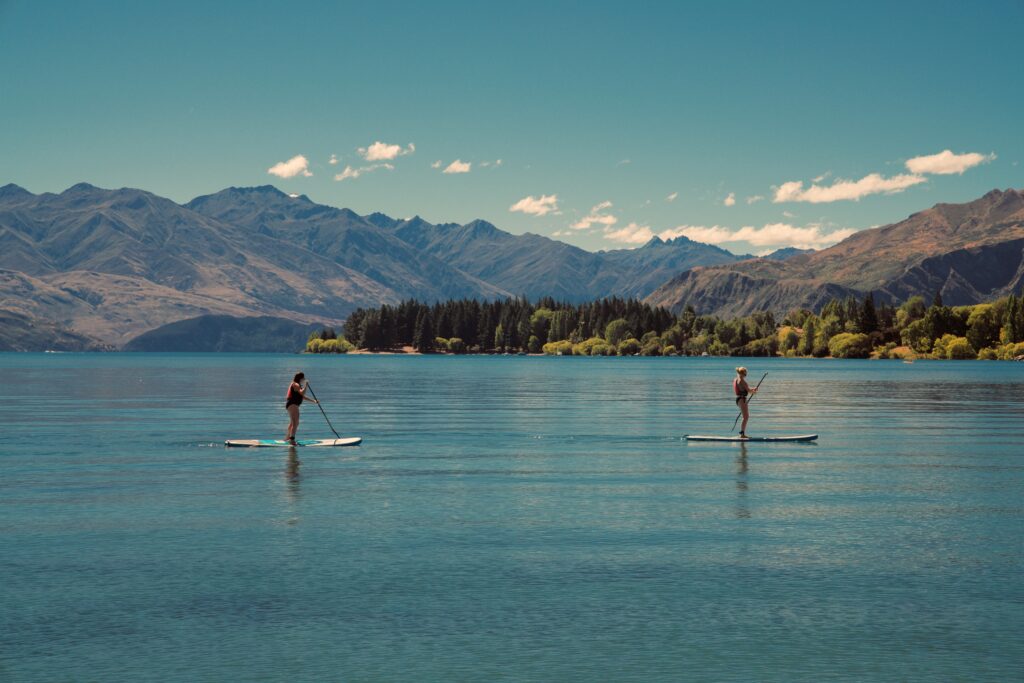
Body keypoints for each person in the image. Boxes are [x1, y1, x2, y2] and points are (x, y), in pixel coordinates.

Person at [284, 372, 318, 445]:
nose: (304, 379)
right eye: (303, 378)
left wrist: (314, 401)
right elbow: (302, 393)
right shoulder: (295, 384)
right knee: (295, 423)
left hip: (292, 405)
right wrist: (306, 386)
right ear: (300, 378)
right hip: (293, 405)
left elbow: (302, 396)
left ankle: (287, 438)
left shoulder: (297, 385)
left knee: (292, 423)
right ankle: (291, 439)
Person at [733, 366, 757, 439]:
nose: (746, 375)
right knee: (746, 417)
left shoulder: (736, 379)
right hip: (742, 400)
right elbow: (749, 391)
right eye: (745, 373)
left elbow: (746, 389)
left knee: (745, 417)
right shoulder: (742, 381)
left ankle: (742, 433)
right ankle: (742, 434)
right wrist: (754, 391)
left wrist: (753, 389)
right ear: (743, 373)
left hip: (739, 399)